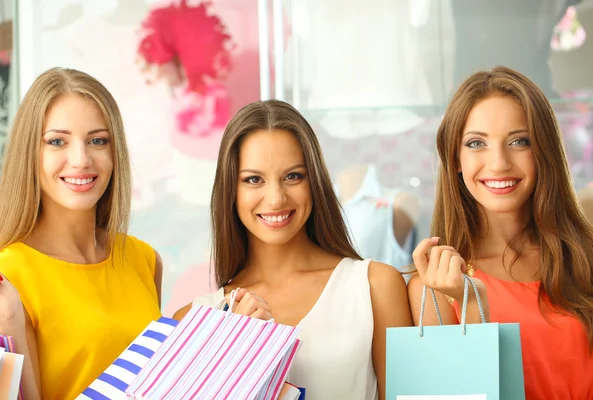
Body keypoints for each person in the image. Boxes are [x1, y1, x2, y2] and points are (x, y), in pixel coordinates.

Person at [174, 100, 412, 400]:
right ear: (230, 190)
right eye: (253, 179)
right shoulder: (194, 320)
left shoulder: (374, 286)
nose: (275, 198)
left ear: (314, 182)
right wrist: (230, 352)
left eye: (293, 176)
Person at [408, 66, 593, 400]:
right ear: (455, 158)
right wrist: (472, 305)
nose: (498, 163)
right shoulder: (434, 285)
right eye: (477, 143)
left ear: (543, 152)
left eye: (519, 141)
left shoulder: (592, 254)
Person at [0, 67, 163, 400]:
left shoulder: (142, 259)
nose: (81, 159)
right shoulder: (10, 275)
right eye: (57, 141)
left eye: (97, 140)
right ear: (31, 152)